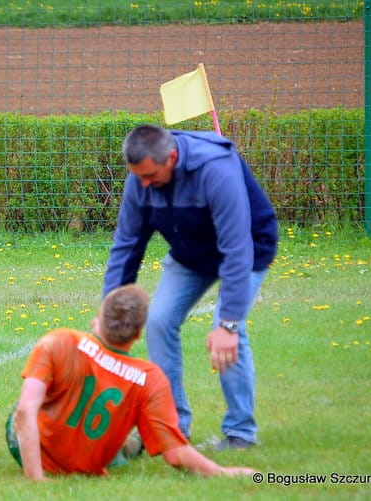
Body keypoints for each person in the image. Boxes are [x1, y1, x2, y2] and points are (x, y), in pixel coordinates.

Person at [102, 124, 278, 451]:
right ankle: (172, 426)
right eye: (137, 176)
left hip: (248, 248)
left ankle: (241, 433)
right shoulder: (141, 178)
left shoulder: (215, 170)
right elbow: (127, 245)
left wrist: (228, 323)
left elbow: (237, 249)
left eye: (150, 175)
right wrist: (109, 311)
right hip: (191, 253)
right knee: (157, 321)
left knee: (228, 333)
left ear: (171, 157)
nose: (143, 184)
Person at [5, 284, 256, 480]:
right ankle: (133, 443)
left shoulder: (59, 340)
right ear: (137, 335)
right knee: (129, 431)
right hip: (89, 462)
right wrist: (224, 472)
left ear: (97, 319)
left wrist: (36, 479)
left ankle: (130, 442)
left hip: (33, 449)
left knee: (20, 406)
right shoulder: (150, 378)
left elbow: (26, 409)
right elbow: (177, 455)